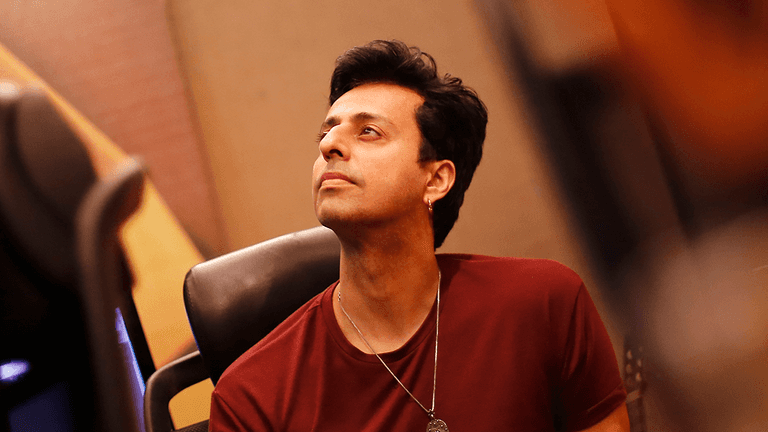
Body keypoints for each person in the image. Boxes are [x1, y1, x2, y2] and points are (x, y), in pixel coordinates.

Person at [209, 39, 628, 431]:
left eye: (368, 131)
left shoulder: (543, 302)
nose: (329, 145)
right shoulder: (250, 395)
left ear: (436, 179)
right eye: (326, 131)